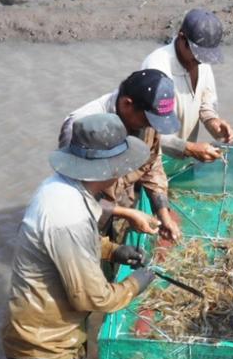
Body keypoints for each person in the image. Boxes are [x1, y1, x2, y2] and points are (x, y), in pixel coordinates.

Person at [4, 114, 157, 359]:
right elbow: (92, 297)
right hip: (43, 349)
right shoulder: (67, 214)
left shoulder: (63, 188)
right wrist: (136, 283)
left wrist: (114, 251)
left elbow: (68, 247)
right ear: (111, 168)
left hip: (49, 333)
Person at [59, 69, 182, 242]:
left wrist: (163, 214)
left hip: (123, 210)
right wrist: (127, 214)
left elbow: (152, 166)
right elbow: (74, 195)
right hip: (86, 223)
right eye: (147, 121)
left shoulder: (148, 121)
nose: (150, 127)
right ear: (126, 104)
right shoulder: (82, 127)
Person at [141, 8, 233, 172]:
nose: (200, 61)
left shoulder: (202, 61)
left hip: (183, 164)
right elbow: (150, 131)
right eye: (197, 55)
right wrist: (190, 148)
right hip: (154, 169)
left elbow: (206, 105)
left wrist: (215, 124)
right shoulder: (157, 68)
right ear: (182, 37)